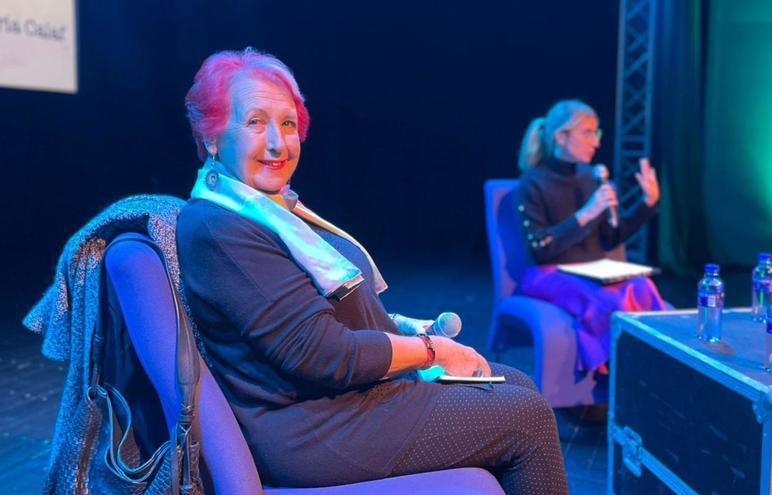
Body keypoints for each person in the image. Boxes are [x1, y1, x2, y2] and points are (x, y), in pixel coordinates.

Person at [176, 48, 568, 493]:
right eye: (254, 122)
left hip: (341, 402)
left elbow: (318, 311)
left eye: (287, 124)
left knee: (517, 384)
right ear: (211, 137)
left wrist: (399, 326)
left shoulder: (270, 208)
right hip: (313, 427)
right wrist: (431, 351)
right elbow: (321, 354)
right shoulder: (218, 225)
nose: (277, 143)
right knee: (527, 419)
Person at [516, 99, 665, 375]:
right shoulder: (532, 182)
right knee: (607, 302)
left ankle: (653, 368)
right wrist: (586, 213)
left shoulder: (591, 178)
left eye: (597, 133)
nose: (596, 142)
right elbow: (540, 248)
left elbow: (611, 238)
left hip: (593, 270)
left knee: (644, 287)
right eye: (587, 133)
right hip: (548, 272)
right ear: (561, 136)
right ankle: (611, 375)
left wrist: (648, 203)